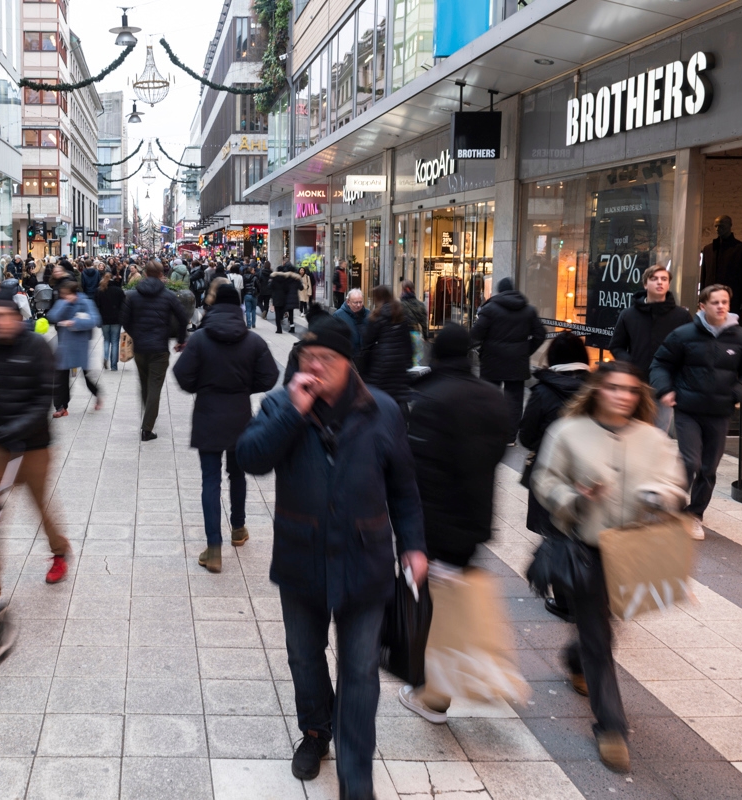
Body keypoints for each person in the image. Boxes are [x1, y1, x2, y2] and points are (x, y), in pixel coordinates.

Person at [237, 313, 426, 800]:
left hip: (364, 561)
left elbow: (404, 488)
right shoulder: (282, 403)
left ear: (349, 363)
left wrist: (413, 545)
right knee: (304, 656)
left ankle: (356, 781)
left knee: (360, 671)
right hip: (301, 556)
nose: (315, 367)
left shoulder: (382, 410)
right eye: (307, 357)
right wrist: (292, 413)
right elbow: (250, 458)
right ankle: (317, 731)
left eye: (326, 359)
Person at [532, 361, 687, 773]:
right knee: (600, 635)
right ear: (598, 390)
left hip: (635, 548)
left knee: (604, 624)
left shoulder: (654, 438)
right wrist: (576, 497)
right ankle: (612, 726)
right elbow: (544, 481)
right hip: (588, 548)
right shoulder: (567, 432)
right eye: (615, 388)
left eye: (631, 390)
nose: (623, 396)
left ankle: (576, 658)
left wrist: (662, 496)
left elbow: (675, 483)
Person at [399, 323, 511, 723]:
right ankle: (445, 683)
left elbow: (418, 470)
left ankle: (434, 695)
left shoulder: (430, 398)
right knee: (451, 600)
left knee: (430, 607)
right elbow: (498, 450)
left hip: (434, 523)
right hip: (475, 518)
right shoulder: (492, 397)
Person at [0, 295, 70, 624]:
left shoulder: (37, 346)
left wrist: (12, 429)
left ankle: (60, 552)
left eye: (3, 316)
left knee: (39, 504)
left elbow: (41, 403)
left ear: (16, 316)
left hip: (35, 445)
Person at [173, 284, 279, 573]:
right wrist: (245, 387)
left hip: (208, 415)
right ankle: (239, 528)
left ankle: (214, 547)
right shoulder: (253, 341)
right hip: (240, 416)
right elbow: (270, 376)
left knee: (211, 480)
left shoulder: (200, 339)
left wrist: (201, 387)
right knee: (237, 473)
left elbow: (182, 375)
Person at [649, 284, 742, 540]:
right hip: (688, 409)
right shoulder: (683, 335)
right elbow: (661, 363)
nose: (721, 306)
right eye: (715, 302)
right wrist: (665, 389)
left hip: (720, 413)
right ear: (702, 305)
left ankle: (695, 515)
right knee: (691, 461)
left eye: (725, 302)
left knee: (708, 468)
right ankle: (674, 508)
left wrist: (736, 394)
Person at [517, 331, 592, 620]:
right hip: (592, 474)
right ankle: (595, 596)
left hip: (553, 473)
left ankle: (565, 601)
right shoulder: (599, 389)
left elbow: (526, 435)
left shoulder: (543, 391)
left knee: (557, 532)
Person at [607, 264, 691, 430]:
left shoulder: (681, 316)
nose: (659, 282)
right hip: (636, 384)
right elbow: (617, 346)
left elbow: (691, 349)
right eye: (654, 279)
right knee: (630, 431)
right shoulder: (629, 315)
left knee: (659, 434)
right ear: (645, 284)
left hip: (666, 385)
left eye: (664, 279)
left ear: (668, 284)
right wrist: (631, 365)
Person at [471, 277, 547, 443]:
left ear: (499, 291)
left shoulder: (490, 309)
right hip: (517, 361)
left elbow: (476, 334)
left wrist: (476, 348)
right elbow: (541, 334)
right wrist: (526, 350)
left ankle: (489, 431)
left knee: (489, 395)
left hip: (492, 359)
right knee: (514, 399)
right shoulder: (528, 310)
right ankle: (510, 436)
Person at [120, 262, 189, 441]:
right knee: (155, 386)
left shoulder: (133, 296)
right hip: (159, 347)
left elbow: (125, 320)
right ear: (161, 274)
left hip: (140, 348)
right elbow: (183, 318)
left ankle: (148, 418)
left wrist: (136, 334)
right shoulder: (168, 296)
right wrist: (180, 340)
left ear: (145, 274)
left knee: (144, 384)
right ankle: (147, 428)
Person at [356, 285, 414, 410]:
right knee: (399, 394)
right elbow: (407, 341)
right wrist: (408, 361)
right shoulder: (401, 313)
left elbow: (368, 340)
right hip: (400, 362)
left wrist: (361, 328)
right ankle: (403, 421)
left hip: (382, 362)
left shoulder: (377, 315)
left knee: (382, 395)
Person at [49, 280, 101, 417]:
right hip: (65, 345)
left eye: (67, 295)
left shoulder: (85, 302)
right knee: (60, 378)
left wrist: (74, 322)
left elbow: (94, 320)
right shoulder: (63, 302)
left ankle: (97, 394)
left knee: (86, 376)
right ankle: (61, 407)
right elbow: (52, 316)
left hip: (80, 345)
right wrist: (65, 304)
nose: (64, 297)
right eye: (63, 295)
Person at [699, 215, 742, 318]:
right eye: (716, 226)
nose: (718, 229)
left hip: (733, 299)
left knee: (731, 329)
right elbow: (704, 275)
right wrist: (702, 298)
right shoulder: (708, 249)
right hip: (711, 297)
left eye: (722, 226)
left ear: (730, 226)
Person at [95, 271, 125, 370]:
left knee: (106, 340)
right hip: (116, 319)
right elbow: (124, 305)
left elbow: (97, 306)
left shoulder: (99, 290)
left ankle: (105, 357)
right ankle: (114, 366)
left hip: (104, 319)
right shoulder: (118, 290)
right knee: (115, 341)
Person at [332, 289, 367, 354]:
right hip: (348, 356)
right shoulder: (338, 315)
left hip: (366, 357)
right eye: (355, 302)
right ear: (348, 302)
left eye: (361, 302)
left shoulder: (368, 314)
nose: (359, 305)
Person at [270, 264, 300, 334]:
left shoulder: (276, 278)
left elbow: (270, 287)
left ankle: (279, 328)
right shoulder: (288, 279)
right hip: (287, 298)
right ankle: (291, 326)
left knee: (278, 314)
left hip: (280, 298)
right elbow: (289, 288)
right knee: (287, 313)